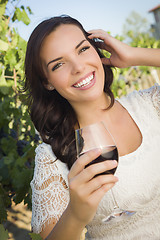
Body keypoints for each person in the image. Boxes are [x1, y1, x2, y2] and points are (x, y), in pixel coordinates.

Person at [24, 15, 160, 240]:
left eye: (82, 49)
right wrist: (76, 216)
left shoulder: (151, 104)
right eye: (58, 64)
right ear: (47, 82)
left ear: (97, 50)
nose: (78, 67)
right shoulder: (51, 159)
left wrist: (133, 54)